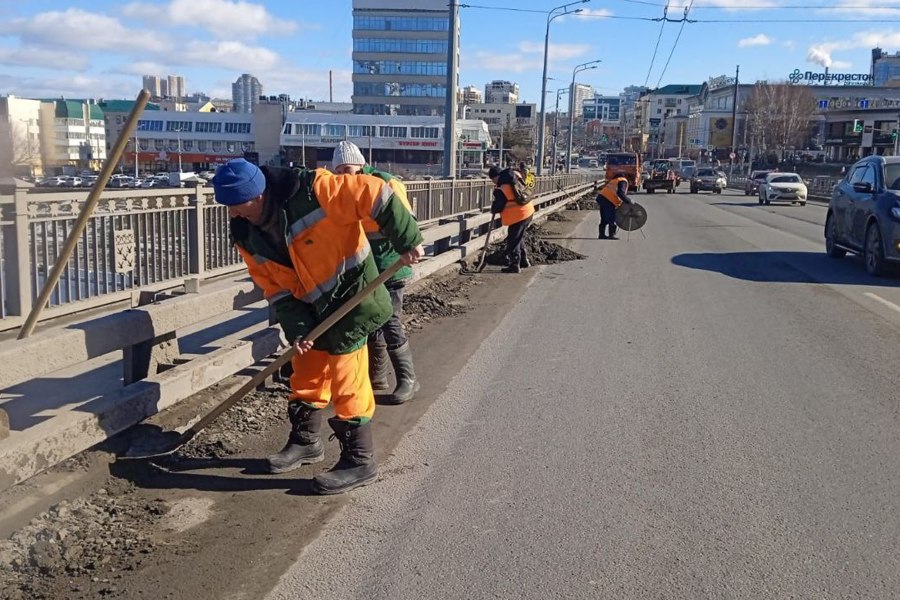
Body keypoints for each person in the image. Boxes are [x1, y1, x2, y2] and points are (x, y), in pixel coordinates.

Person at [212, 159, 424, 495]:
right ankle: (306, 442)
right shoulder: (246, 235)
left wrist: (407, 239)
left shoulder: (315, 190)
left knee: (347, 379)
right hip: (311, 311)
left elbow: (375, 192)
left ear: (258, 196)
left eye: (237, 206)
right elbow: (274, 286)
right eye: (227, 208)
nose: (233, 215)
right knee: (306, 373)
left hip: (353, 297)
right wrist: (297, 328)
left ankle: (360, 460)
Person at [330, 141, 420, 404]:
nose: (344, 175)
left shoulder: (385, 184)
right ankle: (377, 377)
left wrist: (408, 249)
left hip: (392, 264)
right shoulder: (341, 190)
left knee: (389, 319)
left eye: (348, 168)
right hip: (365, 268)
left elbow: (406, 223)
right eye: (339, 171)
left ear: (360, 164)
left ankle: (409, 379)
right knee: (372, 322)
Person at [488, 165, 534, 273]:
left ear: (496, 177)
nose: (493, 182)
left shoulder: (502, 188)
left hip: (518, 216)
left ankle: (515, 265)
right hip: (528, 211)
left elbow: (498, 206)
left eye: (492, 180)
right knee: (518, 237)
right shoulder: (515, 176)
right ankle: (524, 261)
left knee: (513, 240)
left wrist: (493, 209)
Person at [596, 172, 634, 240]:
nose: (631, 183)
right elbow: (620, 193)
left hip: (601, 197)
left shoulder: (616, 180)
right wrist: (629, 201)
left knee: (604, 218)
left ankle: (601, 235)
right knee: (612, 218)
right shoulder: (623, 181)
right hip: (608, 200)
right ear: (629, 179)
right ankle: (611, 235)